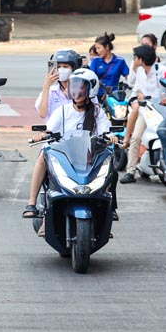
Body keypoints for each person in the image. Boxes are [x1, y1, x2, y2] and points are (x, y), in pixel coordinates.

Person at [30, 69, 119, 233]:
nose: (77, 92)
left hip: (89, 158)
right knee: (44, 155)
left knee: (111, 165)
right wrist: (43, 135)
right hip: (66, 157)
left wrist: (111, 137)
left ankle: (110, 208)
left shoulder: (98, 112)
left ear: (90, 90)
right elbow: (50, 131)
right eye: (74, 87)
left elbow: (106, 131)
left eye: (81, 88)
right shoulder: (62, 111)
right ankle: (33, 204)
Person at [23, 49, 82, 218]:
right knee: (42, 158)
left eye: (66, 66)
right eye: (59, 66)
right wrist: (46, 86)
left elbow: (93, 112)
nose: (62, 69)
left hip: (79, 139)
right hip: (54, 140)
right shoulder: (51, 90)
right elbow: (42, 113)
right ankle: (31, 202)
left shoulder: (83, 88)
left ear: (74, 68)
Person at [120, 44, 165, 184]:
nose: (134, 60)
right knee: (136, 137)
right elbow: (132, 83)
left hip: (160, 109)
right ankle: (131, 171)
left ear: (140, 59)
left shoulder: (161, 71)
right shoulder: (139, 71)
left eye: (135, 58)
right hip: (145, 110)